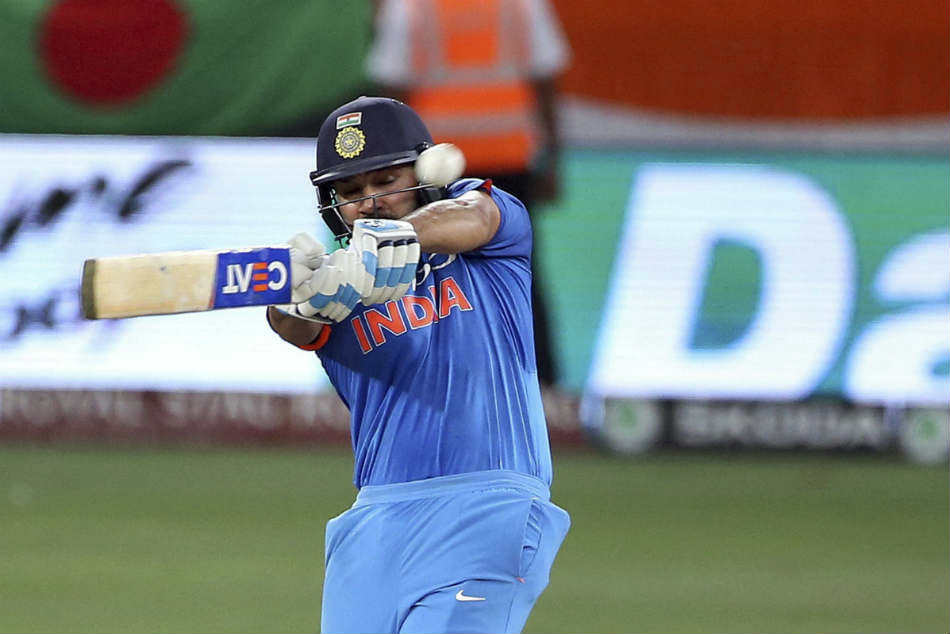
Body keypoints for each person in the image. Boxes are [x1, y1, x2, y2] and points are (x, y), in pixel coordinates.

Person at [266, 95, 570, 633]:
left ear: (424, 172)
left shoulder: (489, 232)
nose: (370, 202)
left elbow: (476, 215)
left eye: (386, 181)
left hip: (488, 506)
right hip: (374, 521)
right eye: (351, 192)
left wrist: (393, 240)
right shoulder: (339, 284)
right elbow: (292, 327)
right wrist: (295, 296)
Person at [365, 0, 571, 387]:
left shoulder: (410, 7)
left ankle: (432, 382)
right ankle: (541, 386)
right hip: (508, 158)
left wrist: (392, 170)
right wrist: (553, 159)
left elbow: (392, 90)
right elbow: (545, 78)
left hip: (437, 165)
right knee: (517, 274)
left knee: (430, 276)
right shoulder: (519, 5)